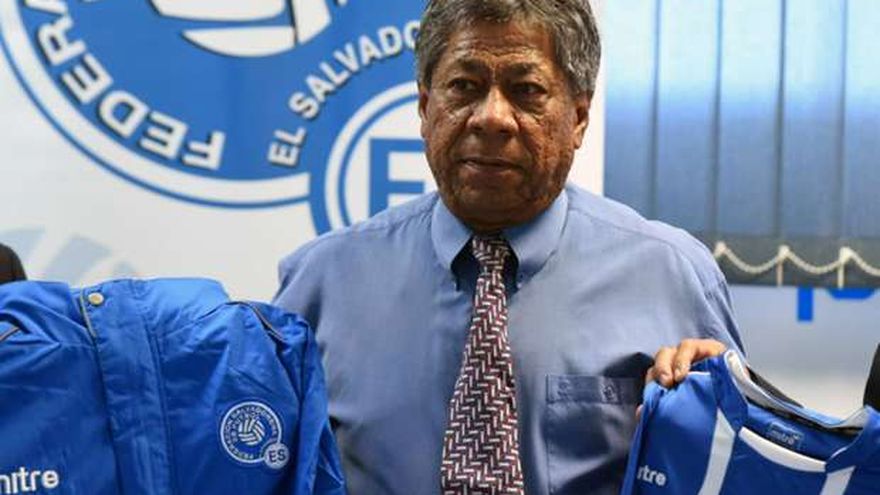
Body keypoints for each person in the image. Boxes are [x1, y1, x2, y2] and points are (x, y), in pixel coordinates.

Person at [274, 1, 742, 494]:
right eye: (464, 86)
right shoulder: (321, 282)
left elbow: (736, 473)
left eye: (526, 90)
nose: (492, 118)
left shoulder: (671, 275)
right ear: (425, 107)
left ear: (579, 117)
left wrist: (728, 410)